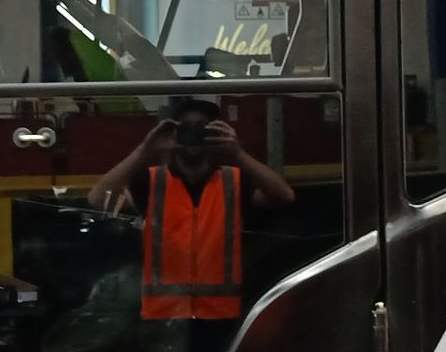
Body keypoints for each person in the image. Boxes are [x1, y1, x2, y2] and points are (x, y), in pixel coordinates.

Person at [90, 98, 294, 322]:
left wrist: (238, 154)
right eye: (185, 127)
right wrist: (144, 151)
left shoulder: (234, 181)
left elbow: (284, 196)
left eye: (202, 128)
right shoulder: (151, 181)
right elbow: (99, 199)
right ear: (174, 134)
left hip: (221, 314)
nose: (193, 134)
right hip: (165, 316)